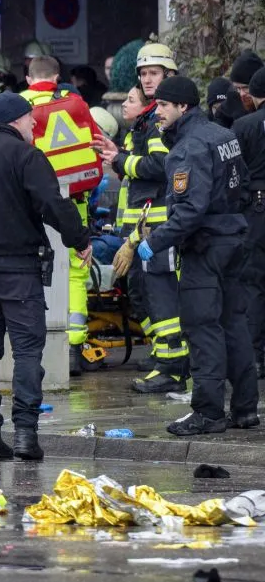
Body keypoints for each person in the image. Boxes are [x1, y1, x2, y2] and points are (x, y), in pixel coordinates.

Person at [0, 93, 92, 459]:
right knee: (26, 353)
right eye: (29, 118)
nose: (34, 124)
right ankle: (25, 435)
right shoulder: (27, 156)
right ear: (17, 120)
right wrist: (80, 239)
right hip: (19, 270)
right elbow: (52, 204)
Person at [134, 76, 257, 436]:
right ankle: (245, 409)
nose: (157, 112)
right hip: (233, 240)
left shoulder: (188, 148)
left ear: (182, 106)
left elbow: (190, 210)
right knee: (234, 324)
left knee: (202, 329)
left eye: (163, 105)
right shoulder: (224, 136)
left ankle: (208, 412)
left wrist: (155, 241)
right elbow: (244, 187)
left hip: (205, 248)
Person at [92, 43, 188, 393]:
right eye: (144, 74)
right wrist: (120, 155)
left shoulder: (158, 122)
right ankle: (166, 360)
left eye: (154, 73)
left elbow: (161, 166)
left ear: (169, 75)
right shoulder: (149, 119)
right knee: (146, 294)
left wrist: (121, 161)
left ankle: (172, 368)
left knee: (163, 298)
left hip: (158, 227)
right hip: (143, 228)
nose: (147, 80)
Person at [21, 55, 105, 375]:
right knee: (76, 272)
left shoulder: (19, 104)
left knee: (33, 269)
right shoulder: (76, 103)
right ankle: (74, 346)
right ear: (57, 77)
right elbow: (94, 143)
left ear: (29, 79)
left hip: (34, 203)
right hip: (74, 201)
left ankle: (37, 343)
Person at [231, 66, 265, 378]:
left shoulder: (244, 125)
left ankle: (255, 357)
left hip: (256, 208)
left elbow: (235, 174)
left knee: (253, 282)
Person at [223, 50, 262, 127]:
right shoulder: (233, 95)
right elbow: (220, 119)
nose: (242, 94)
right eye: (238, 88)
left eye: (246, 87)